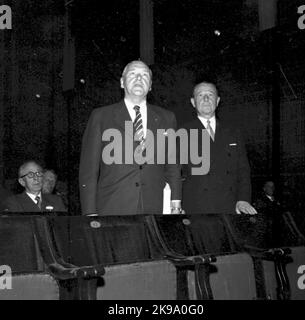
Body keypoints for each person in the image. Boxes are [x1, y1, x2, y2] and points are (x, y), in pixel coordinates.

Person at [79, 60, 182, 215]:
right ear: (122, 82)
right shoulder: (101, 116)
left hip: (153, 206)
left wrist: (175, 202)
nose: (139, 78)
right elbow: (89, 169)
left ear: (151, 85)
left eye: (144, 75)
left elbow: (173, 165)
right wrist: (90, 212)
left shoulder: (167, 118)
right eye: (133, 74)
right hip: (113, 206)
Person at [181, 81, 257, 215]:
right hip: (196, 208)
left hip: (229, 206)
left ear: (217, 101)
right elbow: (175, 173)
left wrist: (243, 199)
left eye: (210, 95)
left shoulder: (233, 132)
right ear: (193, 102)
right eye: (200, 95)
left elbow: (243, 170)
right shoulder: (182, 132)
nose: (205, 99)